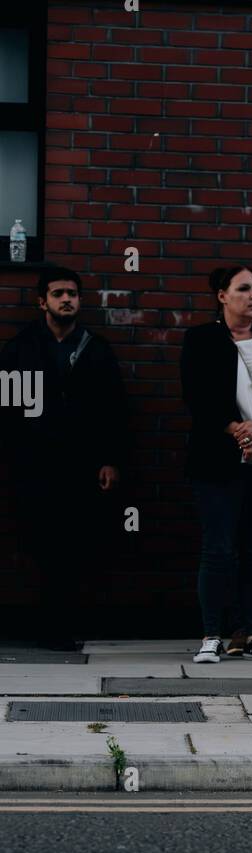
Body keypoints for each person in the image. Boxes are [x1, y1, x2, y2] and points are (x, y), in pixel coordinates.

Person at [0, 266, 128, 647]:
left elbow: (115, 410)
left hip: (81, 468)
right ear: (43, 302)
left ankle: (63, 626)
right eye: (58, 294)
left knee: (74, 545)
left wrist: (111, 460)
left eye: (72, 293)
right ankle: (50, 625)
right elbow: (8, 410)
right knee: (40, 546)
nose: (67, 299)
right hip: (35, 467)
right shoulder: (20, 349)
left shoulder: (96, 349)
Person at [181, 265, 252, 665]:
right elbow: (197, 396)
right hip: (216, 460)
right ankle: (212, 634)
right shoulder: (201, 339)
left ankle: (251, 632)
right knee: (218, 550)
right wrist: (239, 433)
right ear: (222, 295)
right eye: (244, 289)